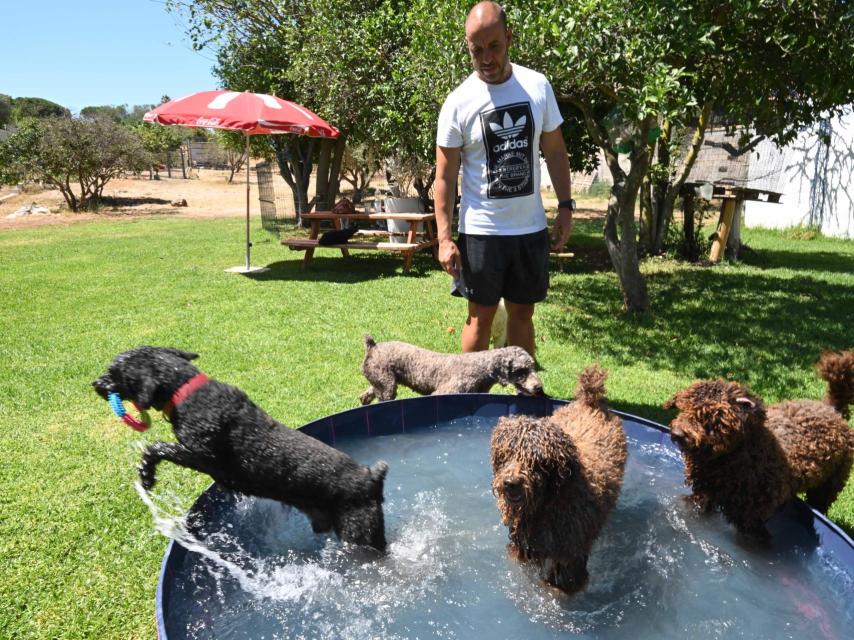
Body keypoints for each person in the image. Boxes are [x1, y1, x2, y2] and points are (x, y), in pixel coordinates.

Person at [434, 1, 574, 357]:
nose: (486, 58)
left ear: (509, 38)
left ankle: (523, 399)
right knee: (480, 318)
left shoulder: (537, 87)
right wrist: (445, 238)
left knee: (523, 314)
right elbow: (445, 177)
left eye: (493, 46)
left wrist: (566, 207)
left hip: (528, 229)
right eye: (476, 50)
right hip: (482, 232)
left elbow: (556, 152)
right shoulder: (458, 102)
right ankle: (466, 403)